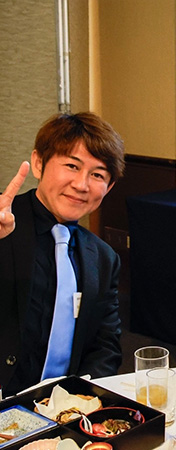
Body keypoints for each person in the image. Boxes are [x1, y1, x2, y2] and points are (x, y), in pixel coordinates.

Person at [0, 112, 125, 396]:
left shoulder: (103, 258)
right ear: (38, 163)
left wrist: (79, 399)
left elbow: (106, 346)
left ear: (109, 187)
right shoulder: (4, 225)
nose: (81, 185)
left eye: (97, 175)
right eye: (71, 165)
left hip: (62, 408)